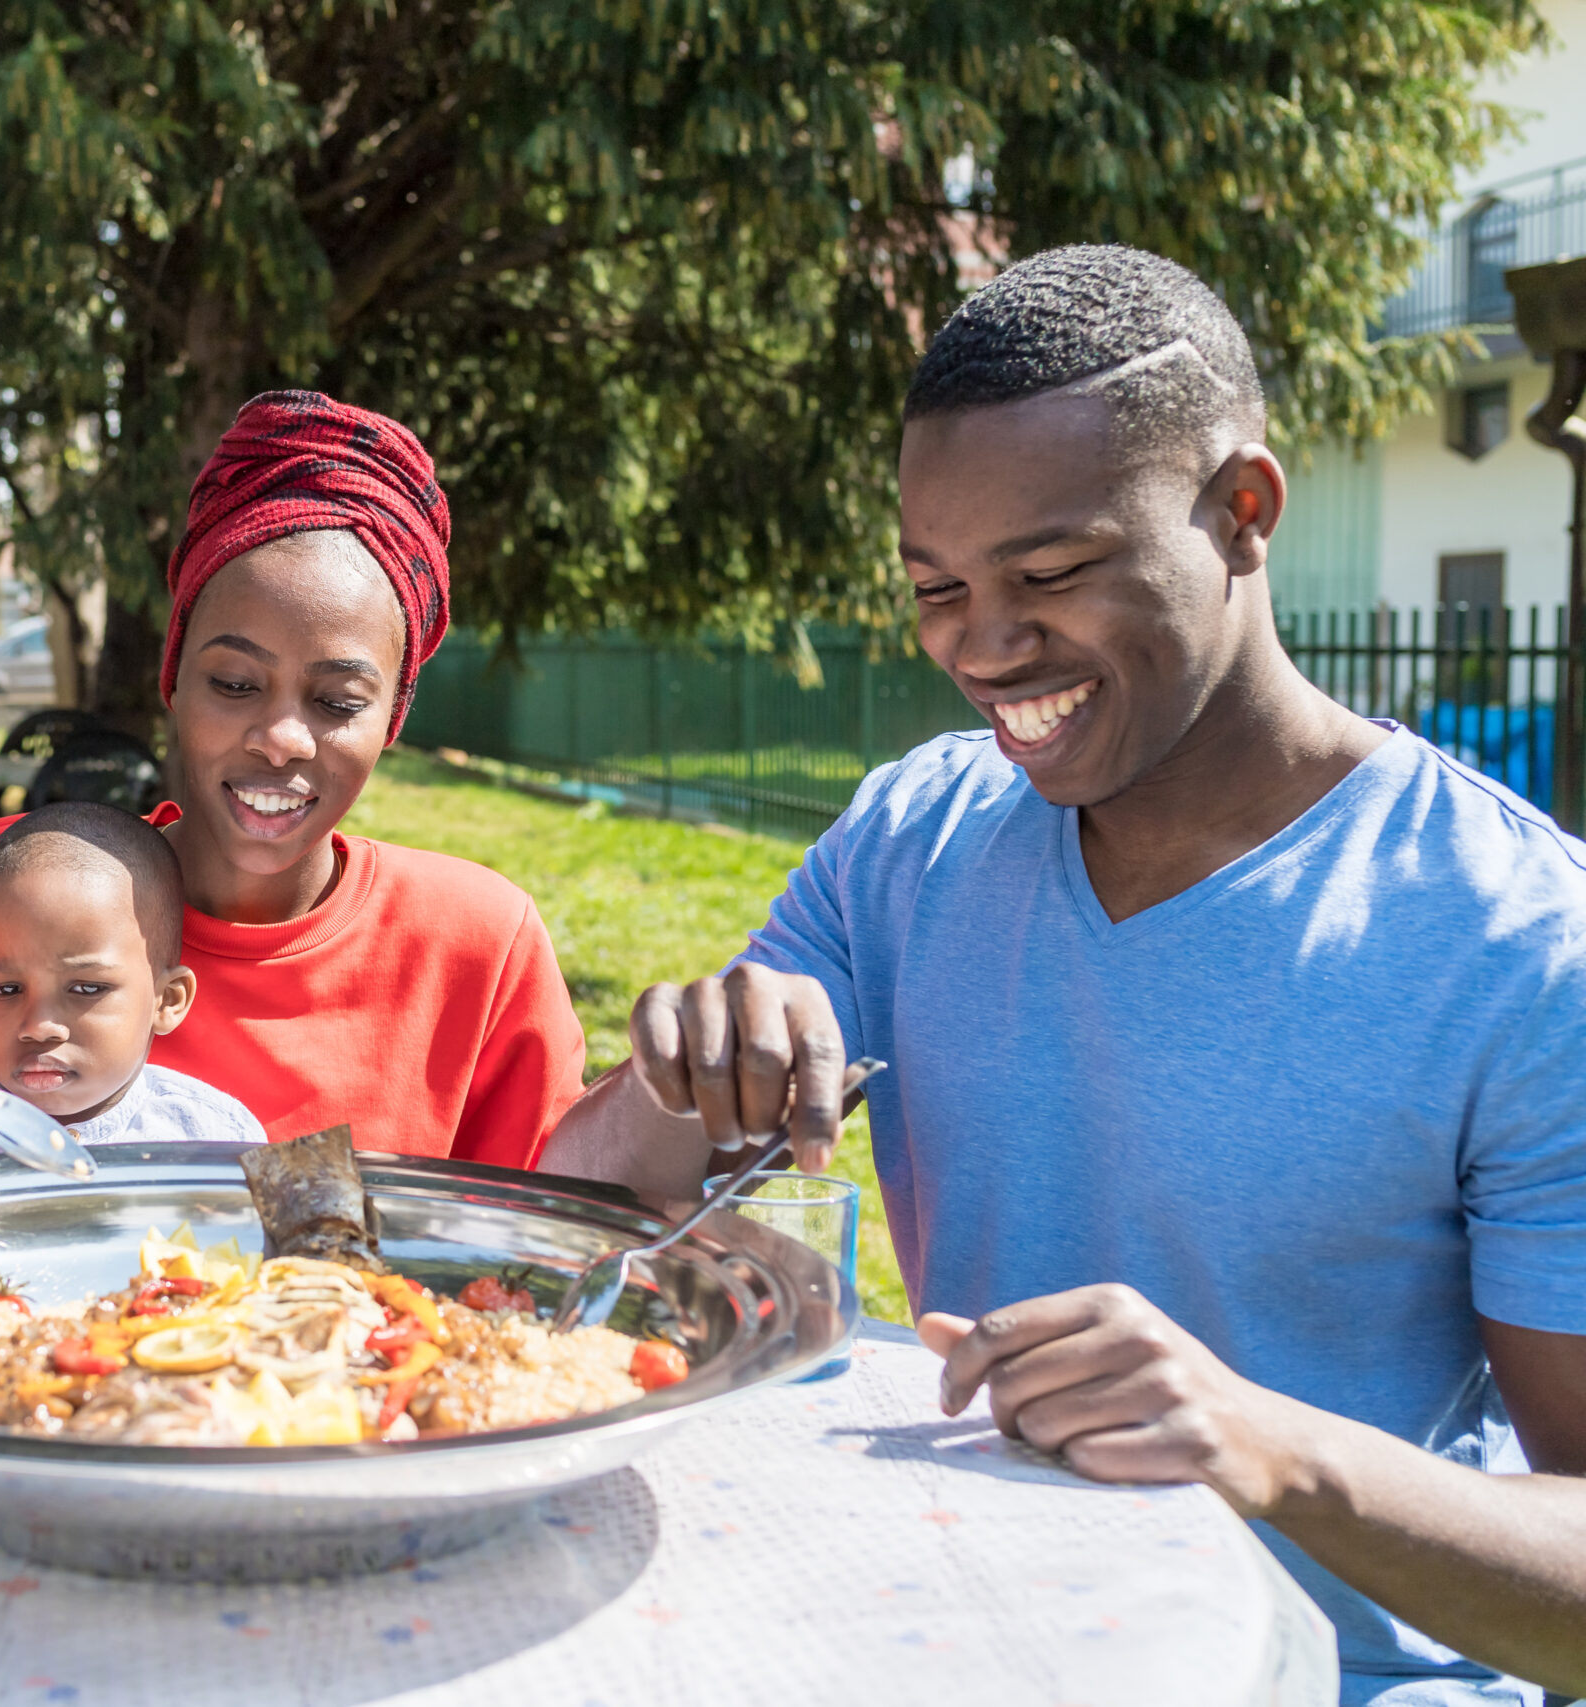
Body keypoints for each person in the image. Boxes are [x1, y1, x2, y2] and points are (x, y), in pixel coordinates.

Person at [544, 246, 1586, 1703]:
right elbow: (578, 1212)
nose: (982, 643)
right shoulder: (913, 832)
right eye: (935, 585)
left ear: (1244, 512)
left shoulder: (1520, 940)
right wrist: (680, 1073)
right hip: (959, 1633)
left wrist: (1265, 1444)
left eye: (1051, 572)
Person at [0, 391, 586, 1189]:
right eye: (234, 682)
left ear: (393, 717)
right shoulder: (10, 909)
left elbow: (557, 1225)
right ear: (172, 674)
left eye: (338, 699)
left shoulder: (476, 946)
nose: (279, 737)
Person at [0, 800, 264, 1169]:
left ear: (167, 1000)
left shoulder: (217, 1142)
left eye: (86, 989)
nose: (38, 1027)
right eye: (7, 989)